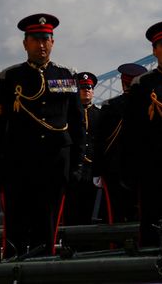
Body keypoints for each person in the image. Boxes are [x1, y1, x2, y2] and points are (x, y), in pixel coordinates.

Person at [0, 14, 86, 259]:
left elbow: (77, 126)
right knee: (16, 228)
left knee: (48, 228)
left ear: (53, 42)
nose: (41, 45)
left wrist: (77, 164)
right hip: (19, 165)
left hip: (55, 165)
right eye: (35, 39)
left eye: (46, 39)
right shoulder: (10, 78)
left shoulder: (66, 75)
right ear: (25, 44)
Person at [124, 20, 162, 247]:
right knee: (150, 223)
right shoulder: (142, 84)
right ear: (154, 50)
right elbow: (132, 129)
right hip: (152, 165)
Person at [92, 63, 146, 224]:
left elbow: (100, 140)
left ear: (123, 83)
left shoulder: (110, 106)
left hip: (114, 169)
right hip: (142, 167)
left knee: (115, 214)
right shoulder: (148, 106)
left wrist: (97, 170)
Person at [63, 72, 101, 224]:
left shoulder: (100, 114)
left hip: (91, 170)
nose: (86, 90)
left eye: (89, 87)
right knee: (70, 211)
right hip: (72, 169)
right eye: (83, 87)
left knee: (88, 210)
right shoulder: (67, 114)